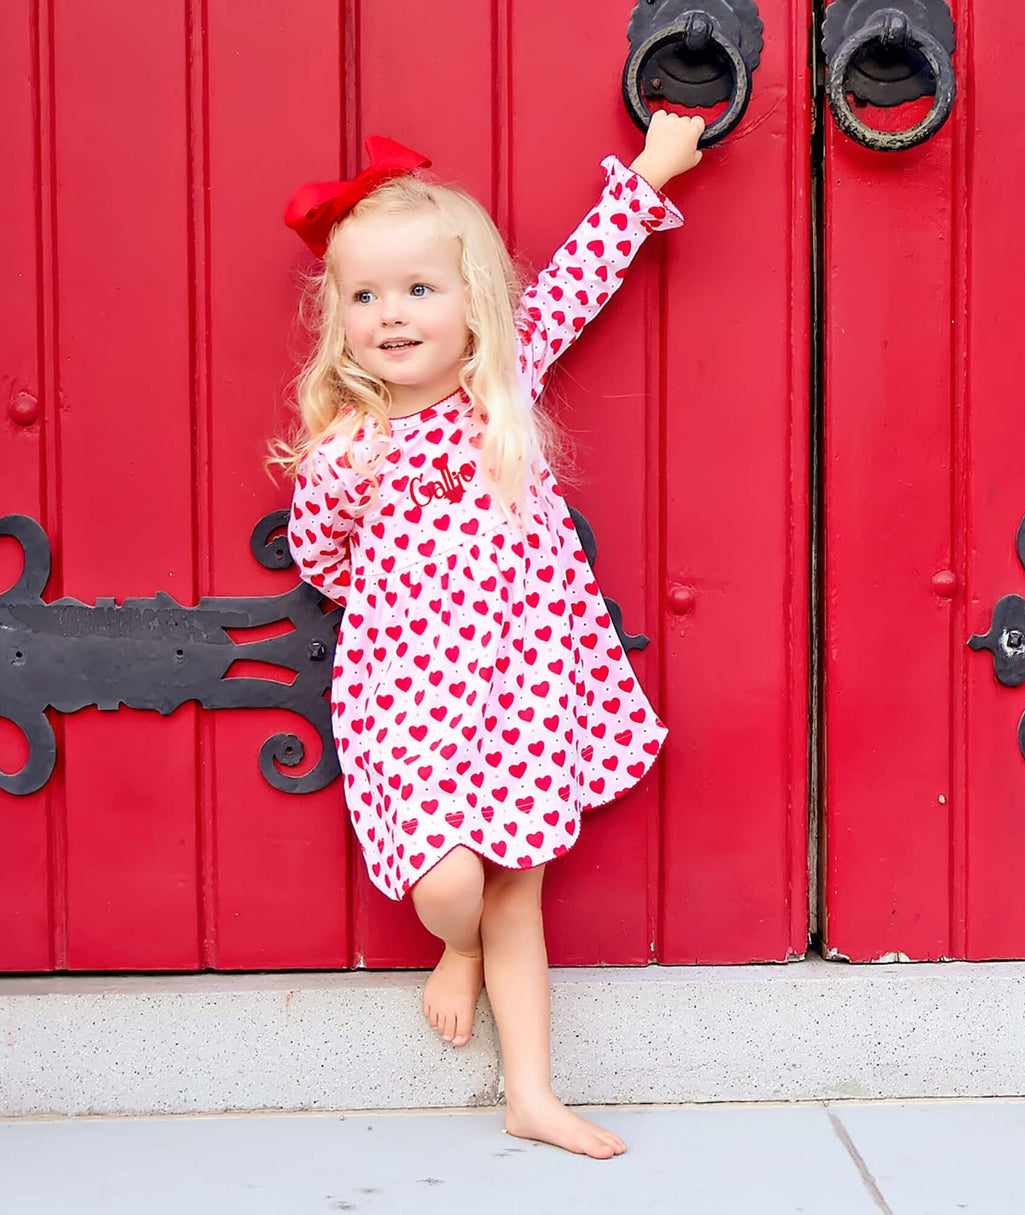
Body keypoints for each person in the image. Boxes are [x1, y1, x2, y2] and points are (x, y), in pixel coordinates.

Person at [269, 112, 705, 1159]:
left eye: (419, 289)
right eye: (366, 297)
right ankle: (452, 946)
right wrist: (400, 607)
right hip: (408, 694)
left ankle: (531, 1095)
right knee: (454, 882)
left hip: (518, 679)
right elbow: (317, 559)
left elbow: (578, 276)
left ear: (474, 306)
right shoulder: (349, 451)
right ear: (341, 321)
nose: (393, 314)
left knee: (519, 877)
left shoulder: (495, 392)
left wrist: (648, 171)